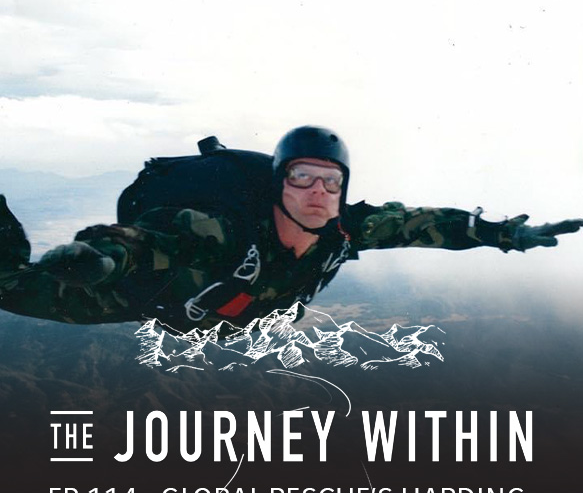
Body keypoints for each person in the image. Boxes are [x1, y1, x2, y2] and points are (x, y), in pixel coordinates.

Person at [0, 126, 581, 333]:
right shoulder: (221, 231)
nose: (317, 192)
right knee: (8, 284)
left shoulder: (345, 229)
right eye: (302, 177)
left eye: (332, 181)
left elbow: (420, 224)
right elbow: (148, 241)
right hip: (141, 297)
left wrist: (503, 234)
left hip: (233, 321)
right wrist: (99, 259)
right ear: (280, 182)